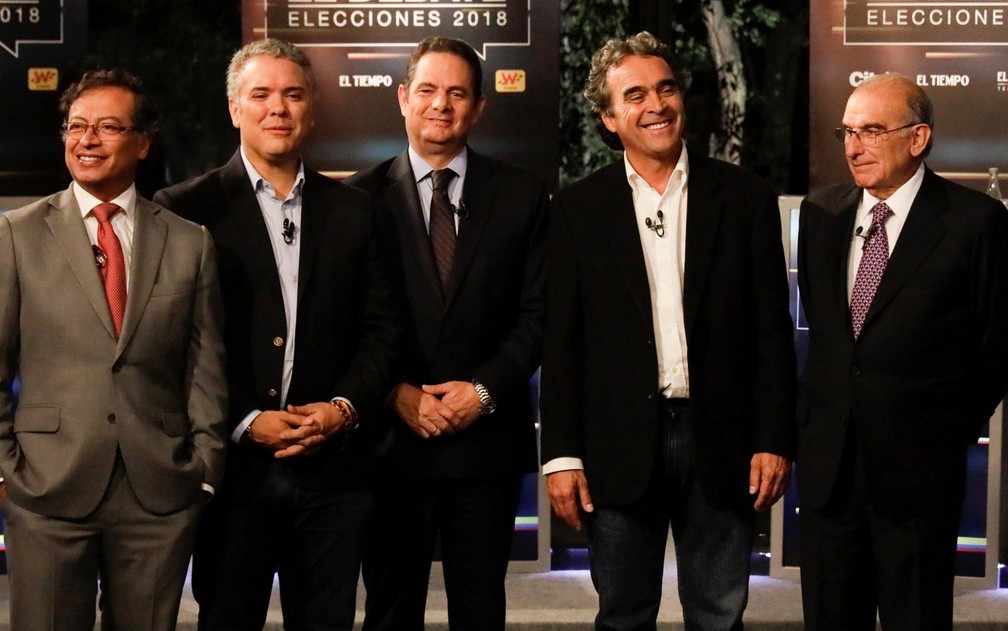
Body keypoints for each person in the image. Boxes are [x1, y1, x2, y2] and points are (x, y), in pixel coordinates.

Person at [540, 31, 796, 630]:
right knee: (624, 614)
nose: (656, 104)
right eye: (635, 95)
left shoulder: (746, 198)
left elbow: (771, 334)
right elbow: (563, 343)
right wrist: (560, 457)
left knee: (718, 614)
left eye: (666, 88)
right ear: (608, 117)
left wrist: (774, 437)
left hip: (724, 442)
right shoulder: (576, 210)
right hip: (617, 448)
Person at [153, 38, 398, 630]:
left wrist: (342, 409)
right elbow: (172, 346)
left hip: (334, 474)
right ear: (235, 108)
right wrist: (243, 419)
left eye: (292, 95)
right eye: (260, 95)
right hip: (235, 476)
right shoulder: (185, 210)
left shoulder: (356, 209)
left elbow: (383, 331)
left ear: (311, 108)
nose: (277, 109)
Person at [0, 69, 227, 630]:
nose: (87, 140)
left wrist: (204, 469)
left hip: (160, 491)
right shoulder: (16, 234)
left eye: (107, 127)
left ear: (143, 142)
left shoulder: (188, 240)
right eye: (77, 127)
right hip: (46, 488)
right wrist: (6, 469)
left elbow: (206, 367)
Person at [345, 36, 548, 631]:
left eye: (457, 93)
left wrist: (480, 393)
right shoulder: (354, 200)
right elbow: (346, 322)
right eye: (428, 90)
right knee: (389, 611)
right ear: (403, 98)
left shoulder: (522, 195)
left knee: (480, 611)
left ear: (478, 107)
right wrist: (393, 393)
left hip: (485, 446)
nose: (441, 104)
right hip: (388, 444)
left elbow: (537, 316)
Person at [797, 72, 1008, 630]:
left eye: (871, 130)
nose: (852, 146)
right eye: (847, 130)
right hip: (829, 476)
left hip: (918, 477)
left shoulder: (974, 223)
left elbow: (996, 346)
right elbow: (826, 337)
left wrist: (947, 429)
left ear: (918, 138)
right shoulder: (820, 216)